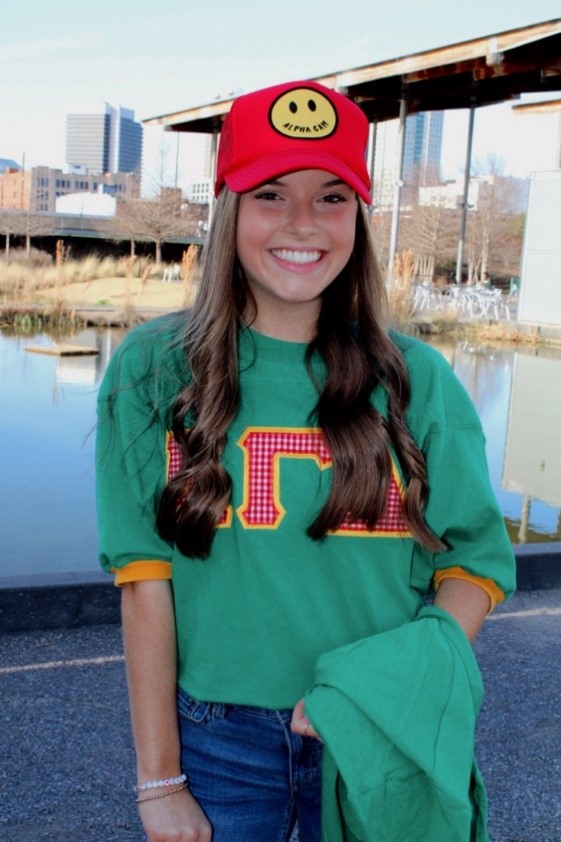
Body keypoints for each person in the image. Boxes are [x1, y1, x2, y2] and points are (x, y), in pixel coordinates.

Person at [96, 80, 516, 842]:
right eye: (269, 194)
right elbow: (143, 582)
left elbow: (475, 563)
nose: (302, 223)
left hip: (374, 732)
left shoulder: (417, 379)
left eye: (331, 197)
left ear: (358, 214)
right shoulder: (153, 370)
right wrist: (159, 779)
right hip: (215, 742)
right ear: (228, 208)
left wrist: (380, 685)